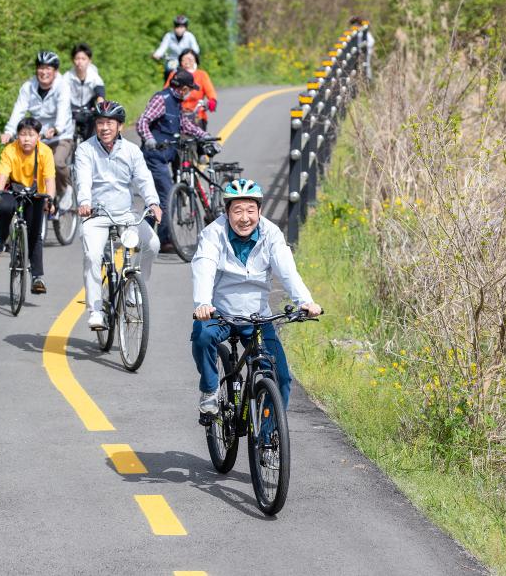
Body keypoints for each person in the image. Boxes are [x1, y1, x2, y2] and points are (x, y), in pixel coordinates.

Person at [191, 179, 323, 416]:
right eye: (238, 210)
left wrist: (304, 301)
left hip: (257, 318)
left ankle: (269, 440)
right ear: (227, 212)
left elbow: (287, 270)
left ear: (259, 211)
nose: (244, 218)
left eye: (251, 210)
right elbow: (204, 267)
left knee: (281, 377)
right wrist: (203, 303)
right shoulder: (213, 233)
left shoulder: (271, 233)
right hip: (220, 313)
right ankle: (210, 389)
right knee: (202, 336)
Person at [75, 100, 162, 330]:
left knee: (152, 244)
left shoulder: (132, 150)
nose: (104, 127)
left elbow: (143, 178)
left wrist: (153, 202)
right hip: (96, 215)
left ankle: (133, 288)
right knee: (93, 256)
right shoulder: (85, 149)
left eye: (110, 123)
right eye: (100, 123)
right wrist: (84, 202)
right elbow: (83, 179)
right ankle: (95, 310)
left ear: (120, 126)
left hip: (126, 214)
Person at [136, 68, 211, 253]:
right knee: (167, 195)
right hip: (154, 156)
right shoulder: (162, 99)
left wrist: (205, 136)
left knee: (154, 198)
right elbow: (142, 121)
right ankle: (164, 239)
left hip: (167, 156)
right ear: (183, 88)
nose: (190, 92)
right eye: (189, 89)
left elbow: (184, 125)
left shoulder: (177, 103)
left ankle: (141, 237)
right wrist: (149, 139)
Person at [0, 51, 74, 199]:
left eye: (48, 68)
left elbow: (63, 110)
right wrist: (9, 131)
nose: (44, 72)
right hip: (36, 135)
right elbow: (19, 110)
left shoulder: (63, 86)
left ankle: (65, 190)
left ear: (55, 71)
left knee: (57, 163)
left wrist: (56, 129)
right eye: (41, 68)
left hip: (60, 135)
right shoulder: (28, 86)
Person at [0, 117, 56, 294]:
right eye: (22, 134)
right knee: (4, 207)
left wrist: (50, 199)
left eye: (31, 135)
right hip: (14, 189)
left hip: (37, 192)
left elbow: (49, 180)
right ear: (17, 136)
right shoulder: (10, 150)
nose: (26, 139)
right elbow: (2, 176)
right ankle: (2, 238)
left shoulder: (45, 152)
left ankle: (37, 276)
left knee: (35, 233)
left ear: (38, 136)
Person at [164, 49, 217, 130]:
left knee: (200, 138)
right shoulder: (174, 75)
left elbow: (210, 92)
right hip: (177, 114)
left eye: (190, 59)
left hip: (197, 115)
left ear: (196, 60)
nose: (186, 62)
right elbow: (166, 91)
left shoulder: (201, 75)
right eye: (183, 60)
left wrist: (212, 101)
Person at [63, 43, 106, 141]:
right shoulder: (67, 77)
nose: (80, 62)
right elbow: (61, 95)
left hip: (88, 109)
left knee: (93, 137)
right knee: (66, 139)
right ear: (73, 60)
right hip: (71, 110)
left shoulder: (94, 76)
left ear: (89, 61)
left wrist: (100, 105)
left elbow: (100, 92)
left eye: (83, 59)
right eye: (77, 58)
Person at [152, 14, 201, 82]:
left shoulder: (190, 36)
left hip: (187, 60)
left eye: (181, 27)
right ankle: (167, 88)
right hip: (174, 60)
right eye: (177, 27)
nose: (179, 29)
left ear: (185, 27)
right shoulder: (169, 36)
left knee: (192, 74)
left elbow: (196, 50)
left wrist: (191, 57)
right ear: (174, 27)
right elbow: (162, 48)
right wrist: (157, 54)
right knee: (169, 70)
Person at [350, 15, 375, 82]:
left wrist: (363, 46)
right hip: (358, 52)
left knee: (366, 64)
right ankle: (357, 79)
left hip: (365, 51)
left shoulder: (363, 31)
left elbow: (371, 41)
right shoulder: (355, 32)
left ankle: (368, 79)